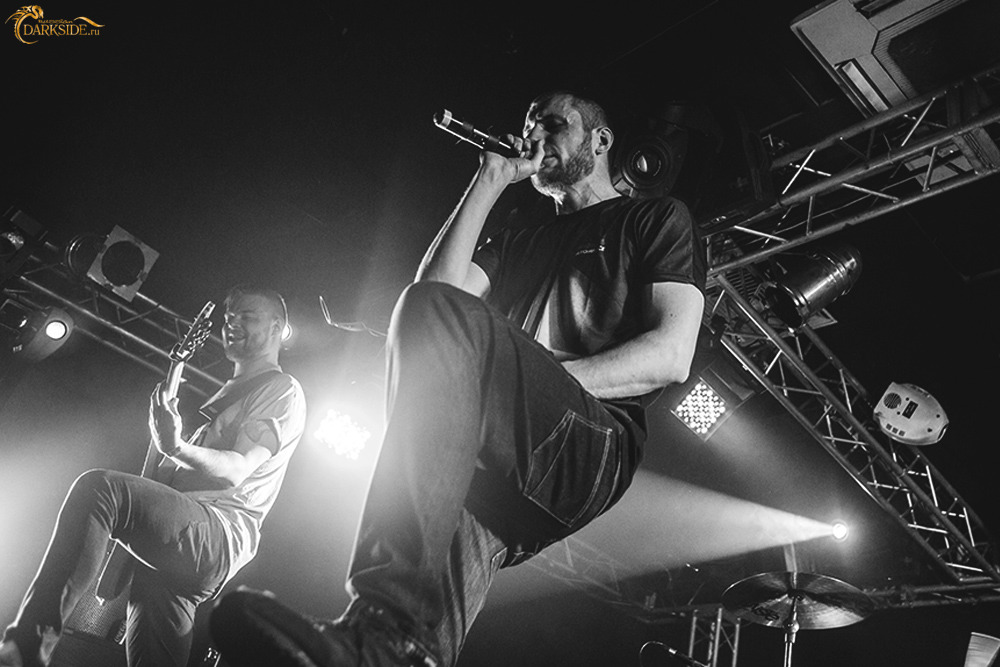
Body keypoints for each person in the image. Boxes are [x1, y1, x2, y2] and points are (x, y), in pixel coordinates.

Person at [210, 90, 706, 667]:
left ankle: (384, 616)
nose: (535, 136)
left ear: (600, 141)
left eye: (553, 124)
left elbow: (671, 354)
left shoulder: (654, 217)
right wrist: (490, 179)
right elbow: (432, 295)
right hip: (501, 453)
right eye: (529, 125)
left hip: (591, 443)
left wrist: (532, 384)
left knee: (439, 317)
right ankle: (381, 648)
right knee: (418, 631)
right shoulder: (518, 242)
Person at [0, 285, 307, 667]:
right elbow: (163, 479)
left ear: (277, 327)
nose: (232, 324)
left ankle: (25, 650)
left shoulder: (281, 389)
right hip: (178, 548)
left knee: (100, 489)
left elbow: (237, 469)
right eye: (229, 317)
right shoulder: (228, 393)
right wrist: (164, 447)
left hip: (215, 533)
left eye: (247, 316)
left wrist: (176, 447)